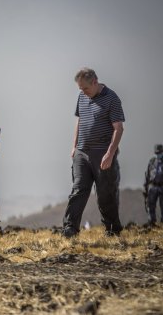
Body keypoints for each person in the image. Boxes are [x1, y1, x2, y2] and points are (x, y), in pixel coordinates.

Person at [63, 68, 125, 237]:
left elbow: (118, 128)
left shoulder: (112, 98)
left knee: (105, 194)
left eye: (85, 88)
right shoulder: (82, 96)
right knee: (78, 190)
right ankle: (70, 229)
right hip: (82, 153)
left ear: (95, 82)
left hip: (102, 153)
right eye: (80, 89)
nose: (83, 92)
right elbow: (80, 120)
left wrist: (110, 154)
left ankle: (112, 230)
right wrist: (74, 146)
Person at [143, 144, 163, 225]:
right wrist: (145, 187)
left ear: (162, 152)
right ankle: (151, 222)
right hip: (152, 186)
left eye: (159, 152)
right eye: (156, 153)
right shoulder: (152, 161)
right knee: (150, 205)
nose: (158, 154)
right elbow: (147, 175)